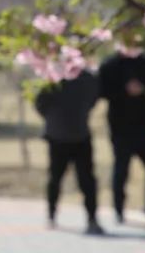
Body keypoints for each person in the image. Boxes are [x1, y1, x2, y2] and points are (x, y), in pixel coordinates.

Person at [98, 45, 145, 225]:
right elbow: (102, 92)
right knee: (121, 169)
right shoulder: (110, 64)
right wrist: (124, 91)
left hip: (143, 124)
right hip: (120, 126)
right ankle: (118, 208)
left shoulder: (143, 62)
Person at [34, 68, 104, 235]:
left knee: (87, 181)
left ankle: (92, 219)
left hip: (81, 135)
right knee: (55, 178)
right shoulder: (51, 77)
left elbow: (93, 99)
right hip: (57, 137)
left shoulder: (87, 78)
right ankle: (51, 215)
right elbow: (40, 103)